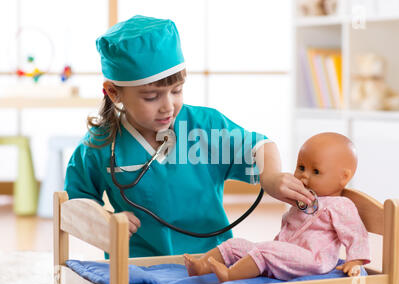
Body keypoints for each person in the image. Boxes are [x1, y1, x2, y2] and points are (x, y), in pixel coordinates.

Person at [64, 15, 314, 258]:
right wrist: (105, 219)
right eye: (151, 97)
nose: (168, 106)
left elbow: (261, 145)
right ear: (114, 93)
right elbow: (76, 202)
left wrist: (270, 176)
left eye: (177, 91)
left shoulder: (207, 127)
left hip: (212, 260)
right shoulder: (98, 145)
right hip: (136, 264)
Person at [184, 132, 371, 282]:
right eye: (301, 167)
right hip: (285, 251)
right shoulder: (304, 198)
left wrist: (355, 261)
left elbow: (356, 234)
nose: (304, 176)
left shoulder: (341, 205)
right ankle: (201, 266)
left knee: (265, 250)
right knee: (236, 245)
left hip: (313, 259)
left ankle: (229, 275)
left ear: (344, 177)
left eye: (315, 171)